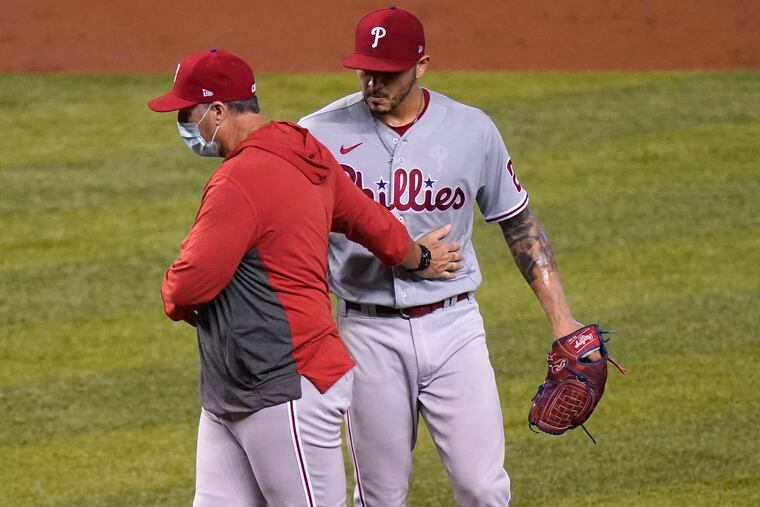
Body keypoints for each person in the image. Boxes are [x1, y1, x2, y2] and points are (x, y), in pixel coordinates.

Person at [299, 7, 594, 506]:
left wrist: (562, 319)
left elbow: (519, 224)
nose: (374, 82)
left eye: (387, 72)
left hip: (454, 327)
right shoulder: (317, 134)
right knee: (380, 496)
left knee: (483, 488)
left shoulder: (472, 129)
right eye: (365, 70)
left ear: (421, 65)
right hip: (367, 333)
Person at [148, 48, 461, 507]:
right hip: (235, 387)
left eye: (186, 113)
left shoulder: (241, 178)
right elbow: (374, 224)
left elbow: (191, 281)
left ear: (217, 110)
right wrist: (418, 257)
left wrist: (175, 299)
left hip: (284, 383)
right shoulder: (303, 151)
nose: (182, 123)